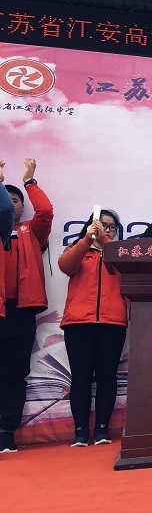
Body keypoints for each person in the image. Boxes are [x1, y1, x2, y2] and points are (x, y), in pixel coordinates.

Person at [58, 209, 127, 447]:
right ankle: (80, 431)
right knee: (81, 377)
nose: (106, 229)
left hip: (112, 323)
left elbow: (125, 270)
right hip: (78, 323)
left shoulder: (118, 253)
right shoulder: (79, 248)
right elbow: (65, 266)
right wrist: (88, 239)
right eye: (102, 225)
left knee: (107, 377)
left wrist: (104, 240)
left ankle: (102, 429)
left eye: (111, 227)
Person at [0, 159, 53, 453]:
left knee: (14, 374)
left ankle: (6, 432)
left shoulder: (31, 231)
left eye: (15, 199)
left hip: (21, 313)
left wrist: (29, 181)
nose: (10, 203)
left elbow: (45, 211)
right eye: (5, 198)